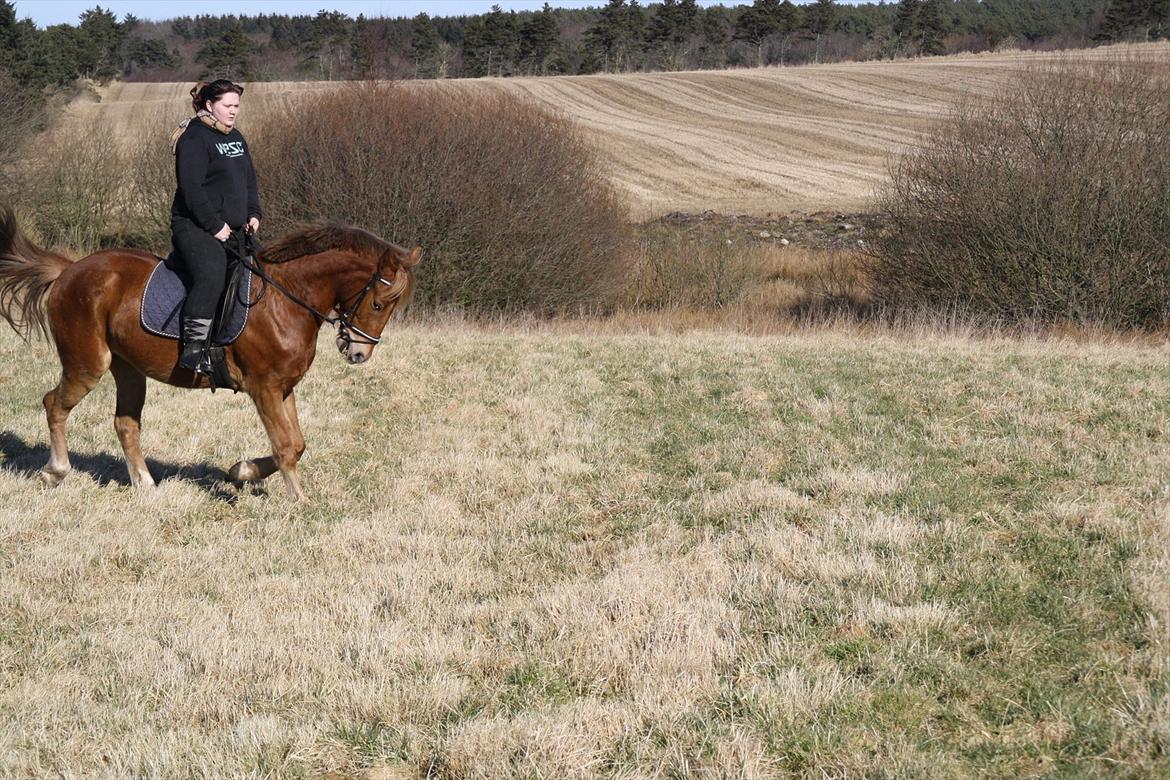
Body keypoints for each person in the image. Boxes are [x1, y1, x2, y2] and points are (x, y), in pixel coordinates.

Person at [170, 79, 261, 375]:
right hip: (195, 226)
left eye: (236, 106)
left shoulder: (236, 137)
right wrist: (215, 226)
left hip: (234, 228)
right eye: (228, 106)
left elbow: (248, 179)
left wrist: (253, 212)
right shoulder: (195, 139)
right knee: (211, 272)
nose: (234, 111)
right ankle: (193, 351)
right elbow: (191, 190)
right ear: (210, 105)